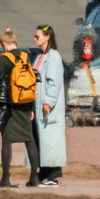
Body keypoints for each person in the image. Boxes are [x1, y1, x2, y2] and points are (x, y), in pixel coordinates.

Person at [0, 29, 40, 187]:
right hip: (25, 103)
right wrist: (31, 107)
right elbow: (30, 83)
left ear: (4, 44)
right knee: (29, 139)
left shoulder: (3, 59)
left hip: (9, 105)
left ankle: (5, 178)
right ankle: (34, 177)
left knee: (6, 141)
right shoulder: (25, 56)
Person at [32, 25, 67, 187]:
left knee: (50, 141)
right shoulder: (39, 56)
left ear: (47, 37)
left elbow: (54, 82)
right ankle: (41, 175)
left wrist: (49, 102)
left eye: (37, 36)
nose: (35, 39)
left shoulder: (54, 57)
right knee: (41, 141)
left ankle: (51, 176)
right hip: (37, 105)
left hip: (47, 107)